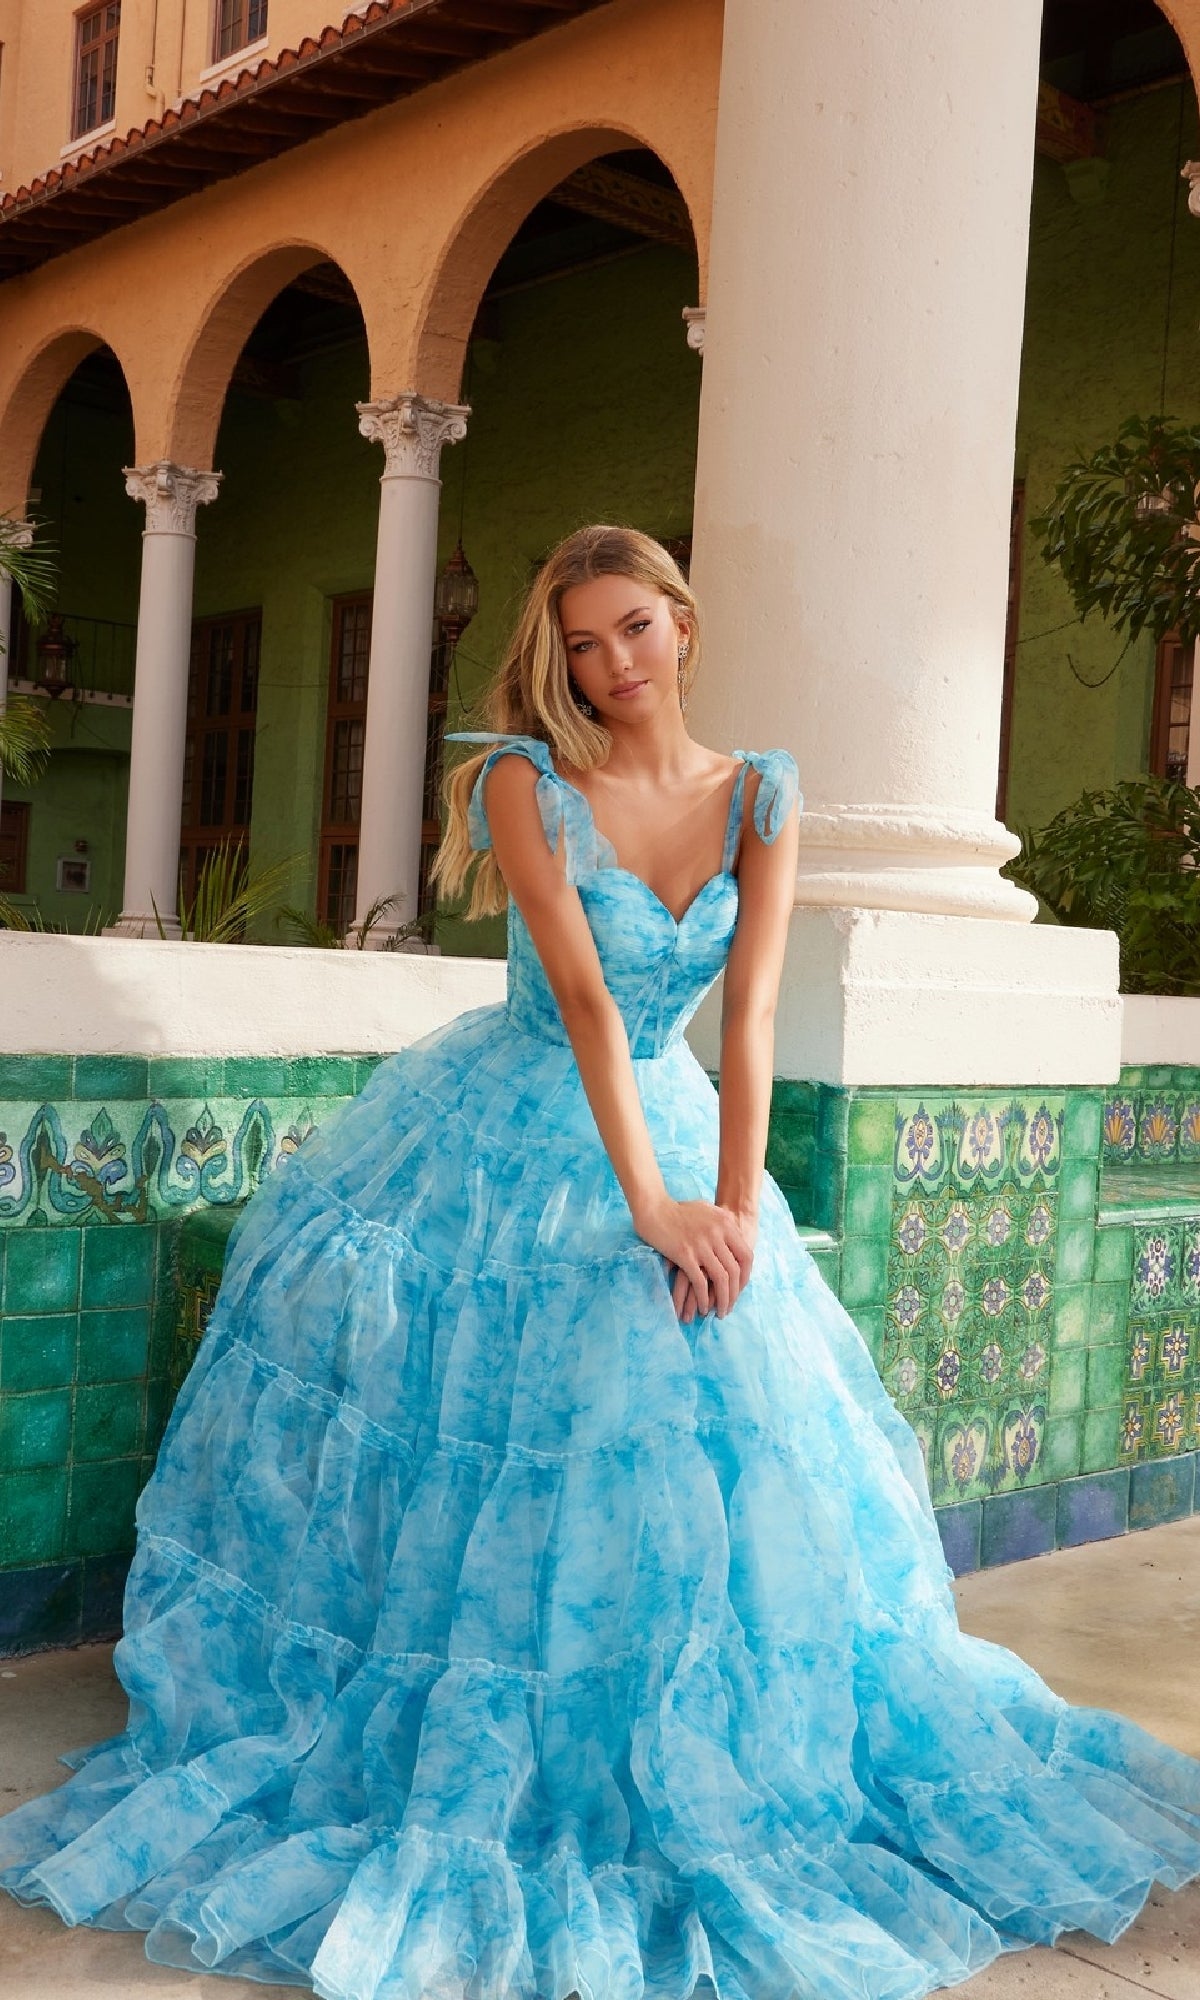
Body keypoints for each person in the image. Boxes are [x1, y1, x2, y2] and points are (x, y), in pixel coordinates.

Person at [2, 524, 1198, 2000]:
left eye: (633, 627)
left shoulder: (763, 794)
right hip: (510, 1131)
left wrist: (737, 1210)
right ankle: (476, 1712)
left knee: (713, 1426)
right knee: (494, 1433)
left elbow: (750, 1015)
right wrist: (649, 1202)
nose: (612, 663)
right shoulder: (522, 781)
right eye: (582, 641)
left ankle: (679, 1729)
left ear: (681, 625)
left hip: (685, 1127)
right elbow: (578, 995)